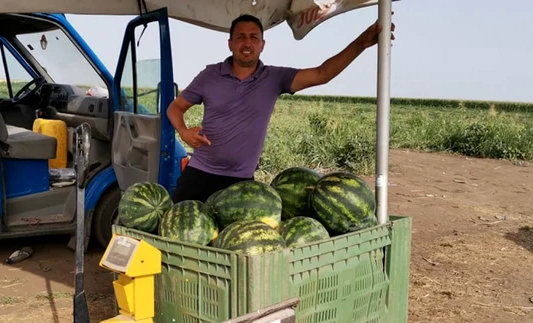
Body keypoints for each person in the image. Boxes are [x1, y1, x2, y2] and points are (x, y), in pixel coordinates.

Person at [167, 14, 395, 202]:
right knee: (174, 235)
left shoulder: (275, 78)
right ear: (230, 43)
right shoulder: (210, 75)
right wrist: (184, 131)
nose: (247, 42)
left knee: (238, 247)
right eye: (241, 37)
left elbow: (322, 74)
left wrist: (361, 44)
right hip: (200, 172)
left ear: (262, 44)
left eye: (254, 37)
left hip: (241, 180)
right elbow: (175, 108)